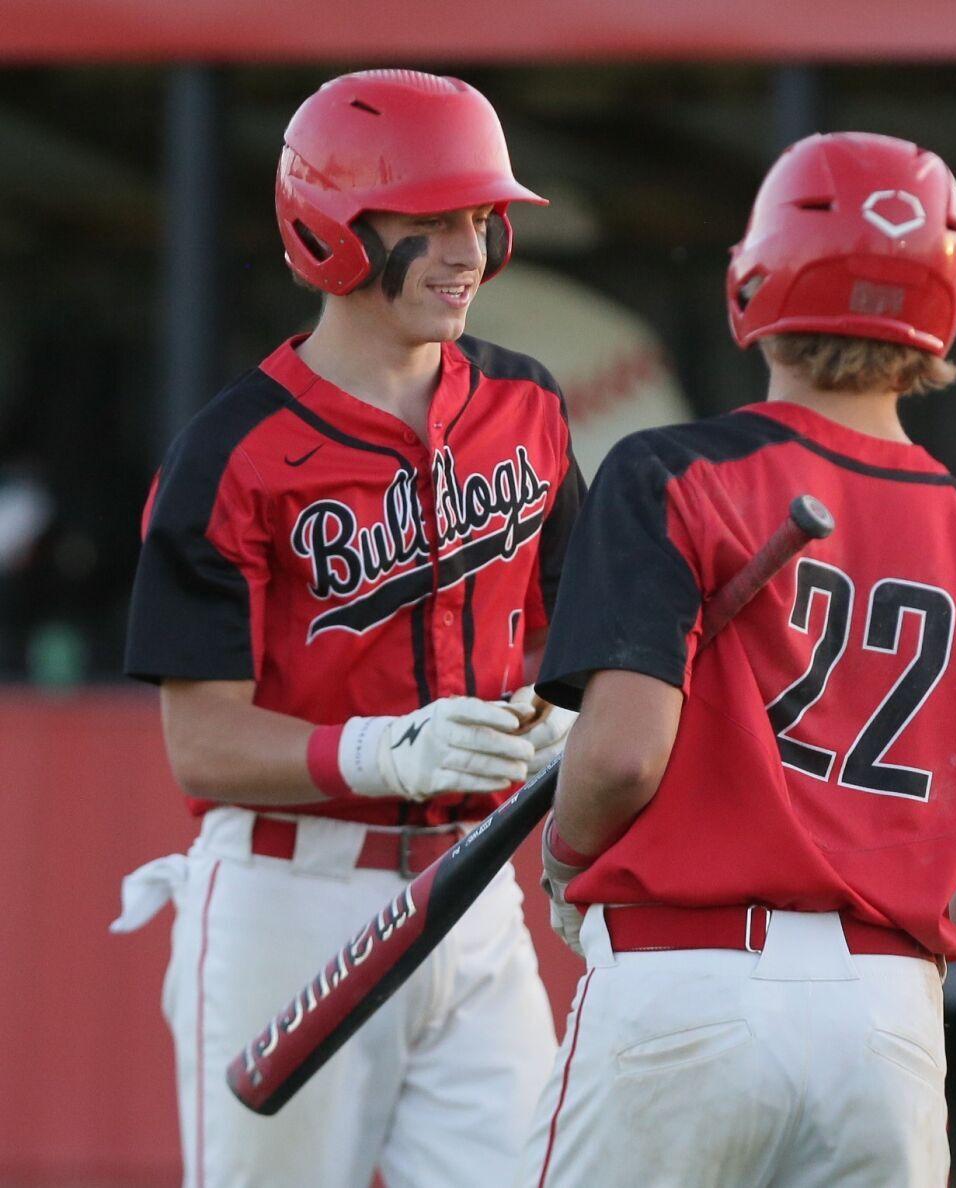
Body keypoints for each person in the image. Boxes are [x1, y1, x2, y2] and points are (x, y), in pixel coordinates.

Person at [520, 132, 956, 1188]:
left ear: (753, 281)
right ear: (942, 313)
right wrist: (886, 945)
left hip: (684, 983)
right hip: (887, 1028)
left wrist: (563, 854)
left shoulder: (668, 471)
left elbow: (620, 762)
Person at [112, 70, 583, 1187]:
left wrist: (565, 713)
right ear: (332, 229)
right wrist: (380, 747)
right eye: (432, 220)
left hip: (475, 896)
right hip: (292, 896)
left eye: (482, 218)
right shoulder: (232, 454)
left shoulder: (529, 406)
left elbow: (584, 635)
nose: (469, 250)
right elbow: (202, 744)